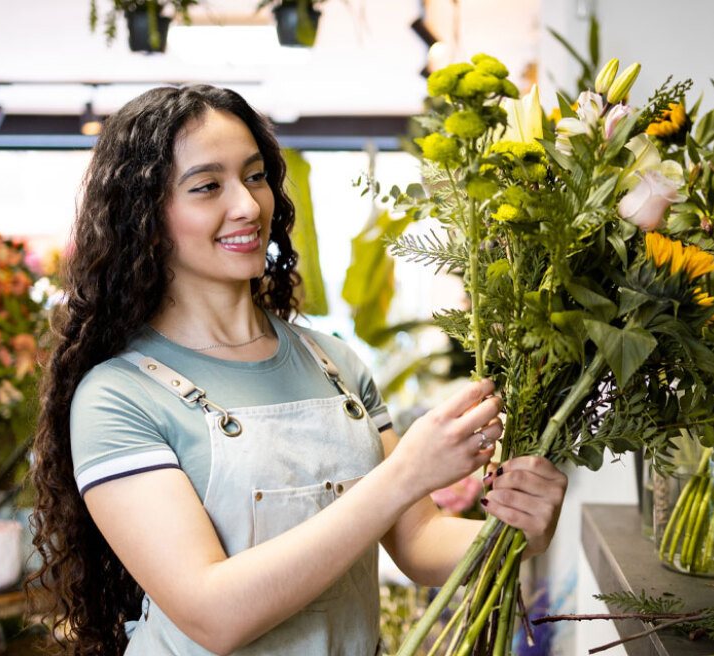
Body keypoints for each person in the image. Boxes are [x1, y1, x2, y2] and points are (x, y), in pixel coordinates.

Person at [29, 84, 569, 656]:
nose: (246, 205)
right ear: (147, 218)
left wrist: (519, 531)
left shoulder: (334, 364)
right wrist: (403, 475)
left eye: (255, 176)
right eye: (208, 186)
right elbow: (212, 614)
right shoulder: (119, 396)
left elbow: (421, 544)